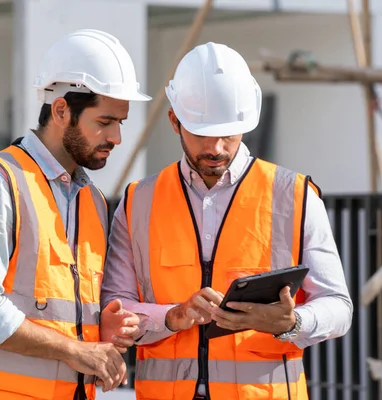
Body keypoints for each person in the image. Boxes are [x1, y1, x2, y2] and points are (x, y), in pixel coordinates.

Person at [101, 42, 353, 400]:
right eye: (201, 132)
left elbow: (338, 307)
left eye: (228, 133)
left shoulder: (294, 195)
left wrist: (292, 323)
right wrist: (172, 316)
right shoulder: (137, 201)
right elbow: (115, 307)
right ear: (174, 121)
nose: (216, 147)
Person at [0, 29, 152, 400]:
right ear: (61, 110)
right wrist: (78, 350)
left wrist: (95, 330)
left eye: (120, 123)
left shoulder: (90, 200)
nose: (116, 138)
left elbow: (55, 312)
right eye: (104, 122)